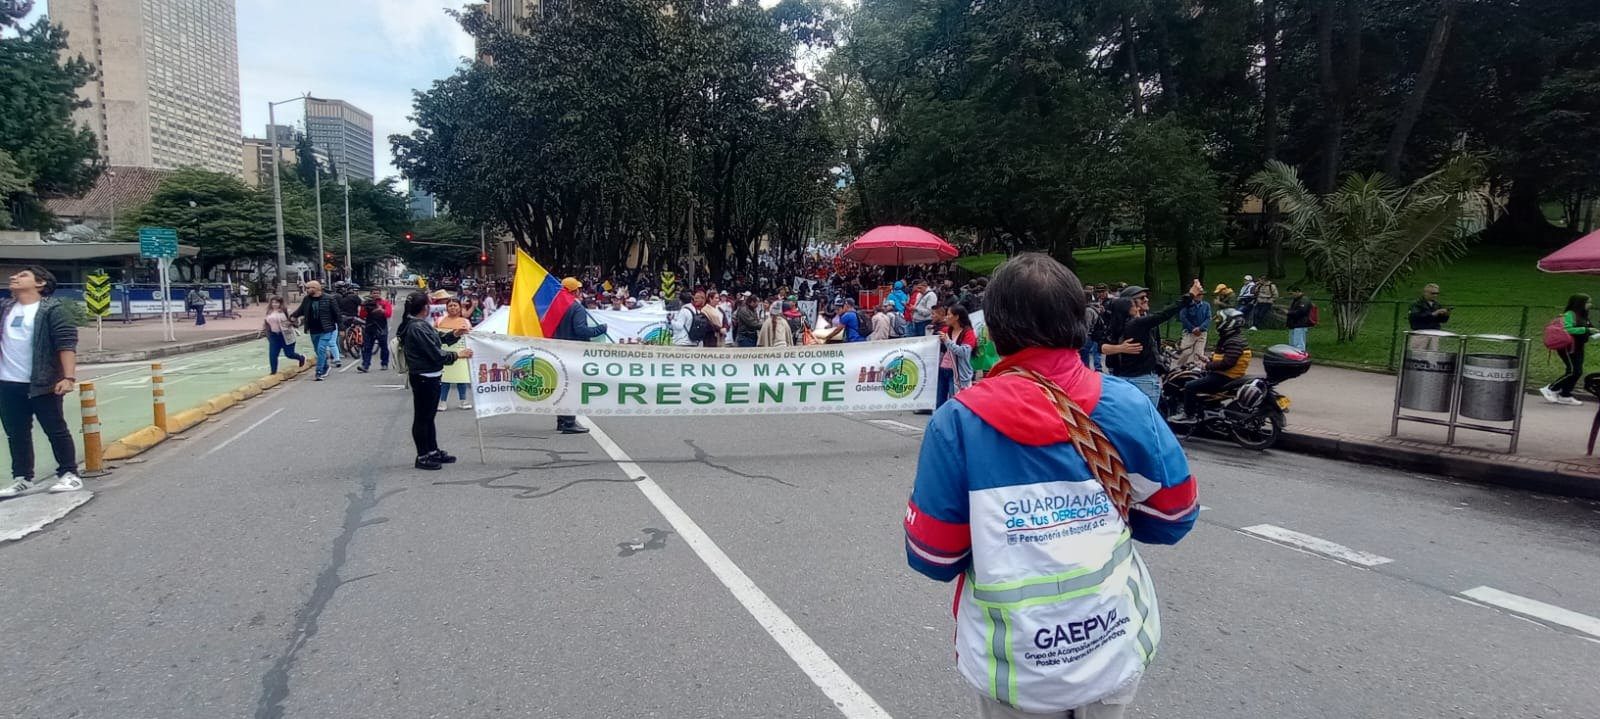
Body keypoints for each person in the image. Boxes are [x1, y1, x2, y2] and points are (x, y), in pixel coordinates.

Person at [903, 253, 1197, 719]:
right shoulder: (1128, 406)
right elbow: (1176, 516)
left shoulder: (958, 423)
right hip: (1112, 648)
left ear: (996, 331)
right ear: (1078, 321)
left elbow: (932, 556)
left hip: (1013, 670)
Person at [0, 266, 84, 497]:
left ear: (41, 283)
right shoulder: (5, 308)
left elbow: (66, 345)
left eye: (23, 275)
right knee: (16, 433)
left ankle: (69, 474)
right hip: (8, 382)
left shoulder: (52, 310)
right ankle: (22, 478)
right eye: (15, 276)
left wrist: (68, 377)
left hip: (43, 382)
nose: (14, 277)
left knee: (55, 429)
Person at [396, 292, 471, 470]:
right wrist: (458, 355)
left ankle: (432, 450)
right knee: (423, 418)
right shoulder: (416, 327)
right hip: (424, 376)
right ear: (425, 308)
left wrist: (456, 333)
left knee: (429, 417)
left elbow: (439, 338)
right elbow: (436, 353)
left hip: (429, 375)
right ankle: (423, 455)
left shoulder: (418, 324)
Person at [1100, 282, 1202, 406]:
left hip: (1127, 377)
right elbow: (1103, 347)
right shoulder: (1137, 323)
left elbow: (1156, 344)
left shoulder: (1132, 322)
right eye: (1142, 298)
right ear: (1130, 304)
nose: (1146, 299)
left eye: (1146, 296)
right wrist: (1120, 348)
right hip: (1139, 379)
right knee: (1147, 418)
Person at [1169, 308, 1251, 424]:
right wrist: (1209, 359)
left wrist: (1206, 366)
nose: (1217, 323)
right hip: (1226, 374)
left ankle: (1189, 415)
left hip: (1224, 377)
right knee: (1196, 376)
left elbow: (1227, 363)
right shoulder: (1232, 338)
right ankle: (1208, 406)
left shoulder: (1233, 341)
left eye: (1219, 321)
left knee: (1190, 386)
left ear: (1228, 323)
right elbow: (1226, 357)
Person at [553, 278, 607, 433]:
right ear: (574, 291)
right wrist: (600, 329)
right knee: (572, 387)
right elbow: (581, 330)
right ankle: (570, 423)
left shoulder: (556, 307)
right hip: (573, 352)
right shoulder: (576, 308)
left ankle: (562, 420)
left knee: (562, 386)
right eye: (578, 289)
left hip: (558, 350)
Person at [1541, 294, 1593, 406]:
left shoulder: (1584, 316)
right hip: (1568, 347)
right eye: (1588, 302)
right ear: (1580, 303)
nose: (1590, 305)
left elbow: (1588, 329)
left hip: (1579, 346)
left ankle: (1565, 395)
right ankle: (1550, 388)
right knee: (1573, 371)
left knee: (1578, 371)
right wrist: (1586, 329)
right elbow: (1567, 329)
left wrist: (1592, 332)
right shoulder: (1570, 314)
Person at [290, 280, 342, 380]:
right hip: (313, 329)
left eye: (310, 288)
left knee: (321, 348)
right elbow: (301, 310)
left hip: (326, 329)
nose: (308, 290)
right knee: (317, 350)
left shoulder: (329, 299)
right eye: (307, 288)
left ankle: (319, 372)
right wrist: (293, 316)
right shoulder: (307, 299)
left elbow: (337, 314)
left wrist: (341, 328)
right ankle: (325, 366)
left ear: (317, 288)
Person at [435, 299, 474, 410]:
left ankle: (463, 400)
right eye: (450, 305)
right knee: (445, 379)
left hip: (461, 351)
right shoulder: (440, 320)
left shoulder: (465, 321)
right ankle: (442, 401)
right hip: (445, 352)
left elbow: (470, 336)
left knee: (461, 378)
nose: (453, 308)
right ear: (446, 308)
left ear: (459, 307)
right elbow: (435, 336)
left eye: (455, 305)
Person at [940, 304, 978, 400]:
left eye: (948, 315)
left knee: (956, 400)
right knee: (940, 401)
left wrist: (947, 341)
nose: (946, 317)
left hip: (957, 373)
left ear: (956, 317)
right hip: (943, 369)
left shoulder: (968, 333)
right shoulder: (946, 330)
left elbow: (963, 352)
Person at [263, 296, 306, 374]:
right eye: (273, 302)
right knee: (273, 354)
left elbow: (296, 321)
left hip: (286, 335)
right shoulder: (269, 312)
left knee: (289, 354)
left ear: (280, 303)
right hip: (273, 335)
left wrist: (290, 323)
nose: (274, 304)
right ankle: (273, 371)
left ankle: (301, 358)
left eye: (276, 303)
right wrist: (265, 332)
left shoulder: (286, 311)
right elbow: (266, 322)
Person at [357, 290, 393, 373]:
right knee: (367, 347)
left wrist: (381, 310)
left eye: (377, 293)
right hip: (370, 327)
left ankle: (384, 363)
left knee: (383, 346)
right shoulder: (367, 303)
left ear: (380, 294)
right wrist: (364, 307)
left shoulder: (385, 303)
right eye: (374, 293)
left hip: (381, 327)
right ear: (371, 294)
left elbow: (388, 314)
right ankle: (365, 365)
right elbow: (362, 315)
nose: (376, 295)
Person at [1407, 283, 1451, 351]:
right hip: (1421, 332)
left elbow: (1441, 320)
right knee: (1418, 354)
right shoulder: (1417, 304)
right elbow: (1415, 317)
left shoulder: (1437, 304)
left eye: (1437, 293)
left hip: (1434, 333)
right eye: (1432, 293)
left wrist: (1446, 315)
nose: (1435, 295)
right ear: (1425, 293)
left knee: (1433, 354)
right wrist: (1433, 313)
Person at [1177, 286, 1211, 368]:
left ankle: (1197, 369)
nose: (1200, 296)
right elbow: (1183, 318)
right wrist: (1192, 328)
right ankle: (1179, 367)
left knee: (1199, 354)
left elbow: (1208, 318)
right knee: (1186, 352)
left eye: (1201, 294)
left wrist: (1200, 328)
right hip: (1189, 333)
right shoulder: (1187, 305)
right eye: (1198, 294)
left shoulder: (1206, 305)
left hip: (1201, 333)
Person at [1285, 287, 1314, 351]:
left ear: (1297, 291)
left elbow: (1302, 311)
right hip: (1294, 324)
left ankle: (1300, 356)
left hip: (1300, 323)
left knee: (1299, 343)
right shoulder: (1296, 300)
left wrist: (1289, 313)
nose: (1291, 295)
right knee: (1292, 343)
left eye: (1291, 293)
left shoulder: (1304, 300)